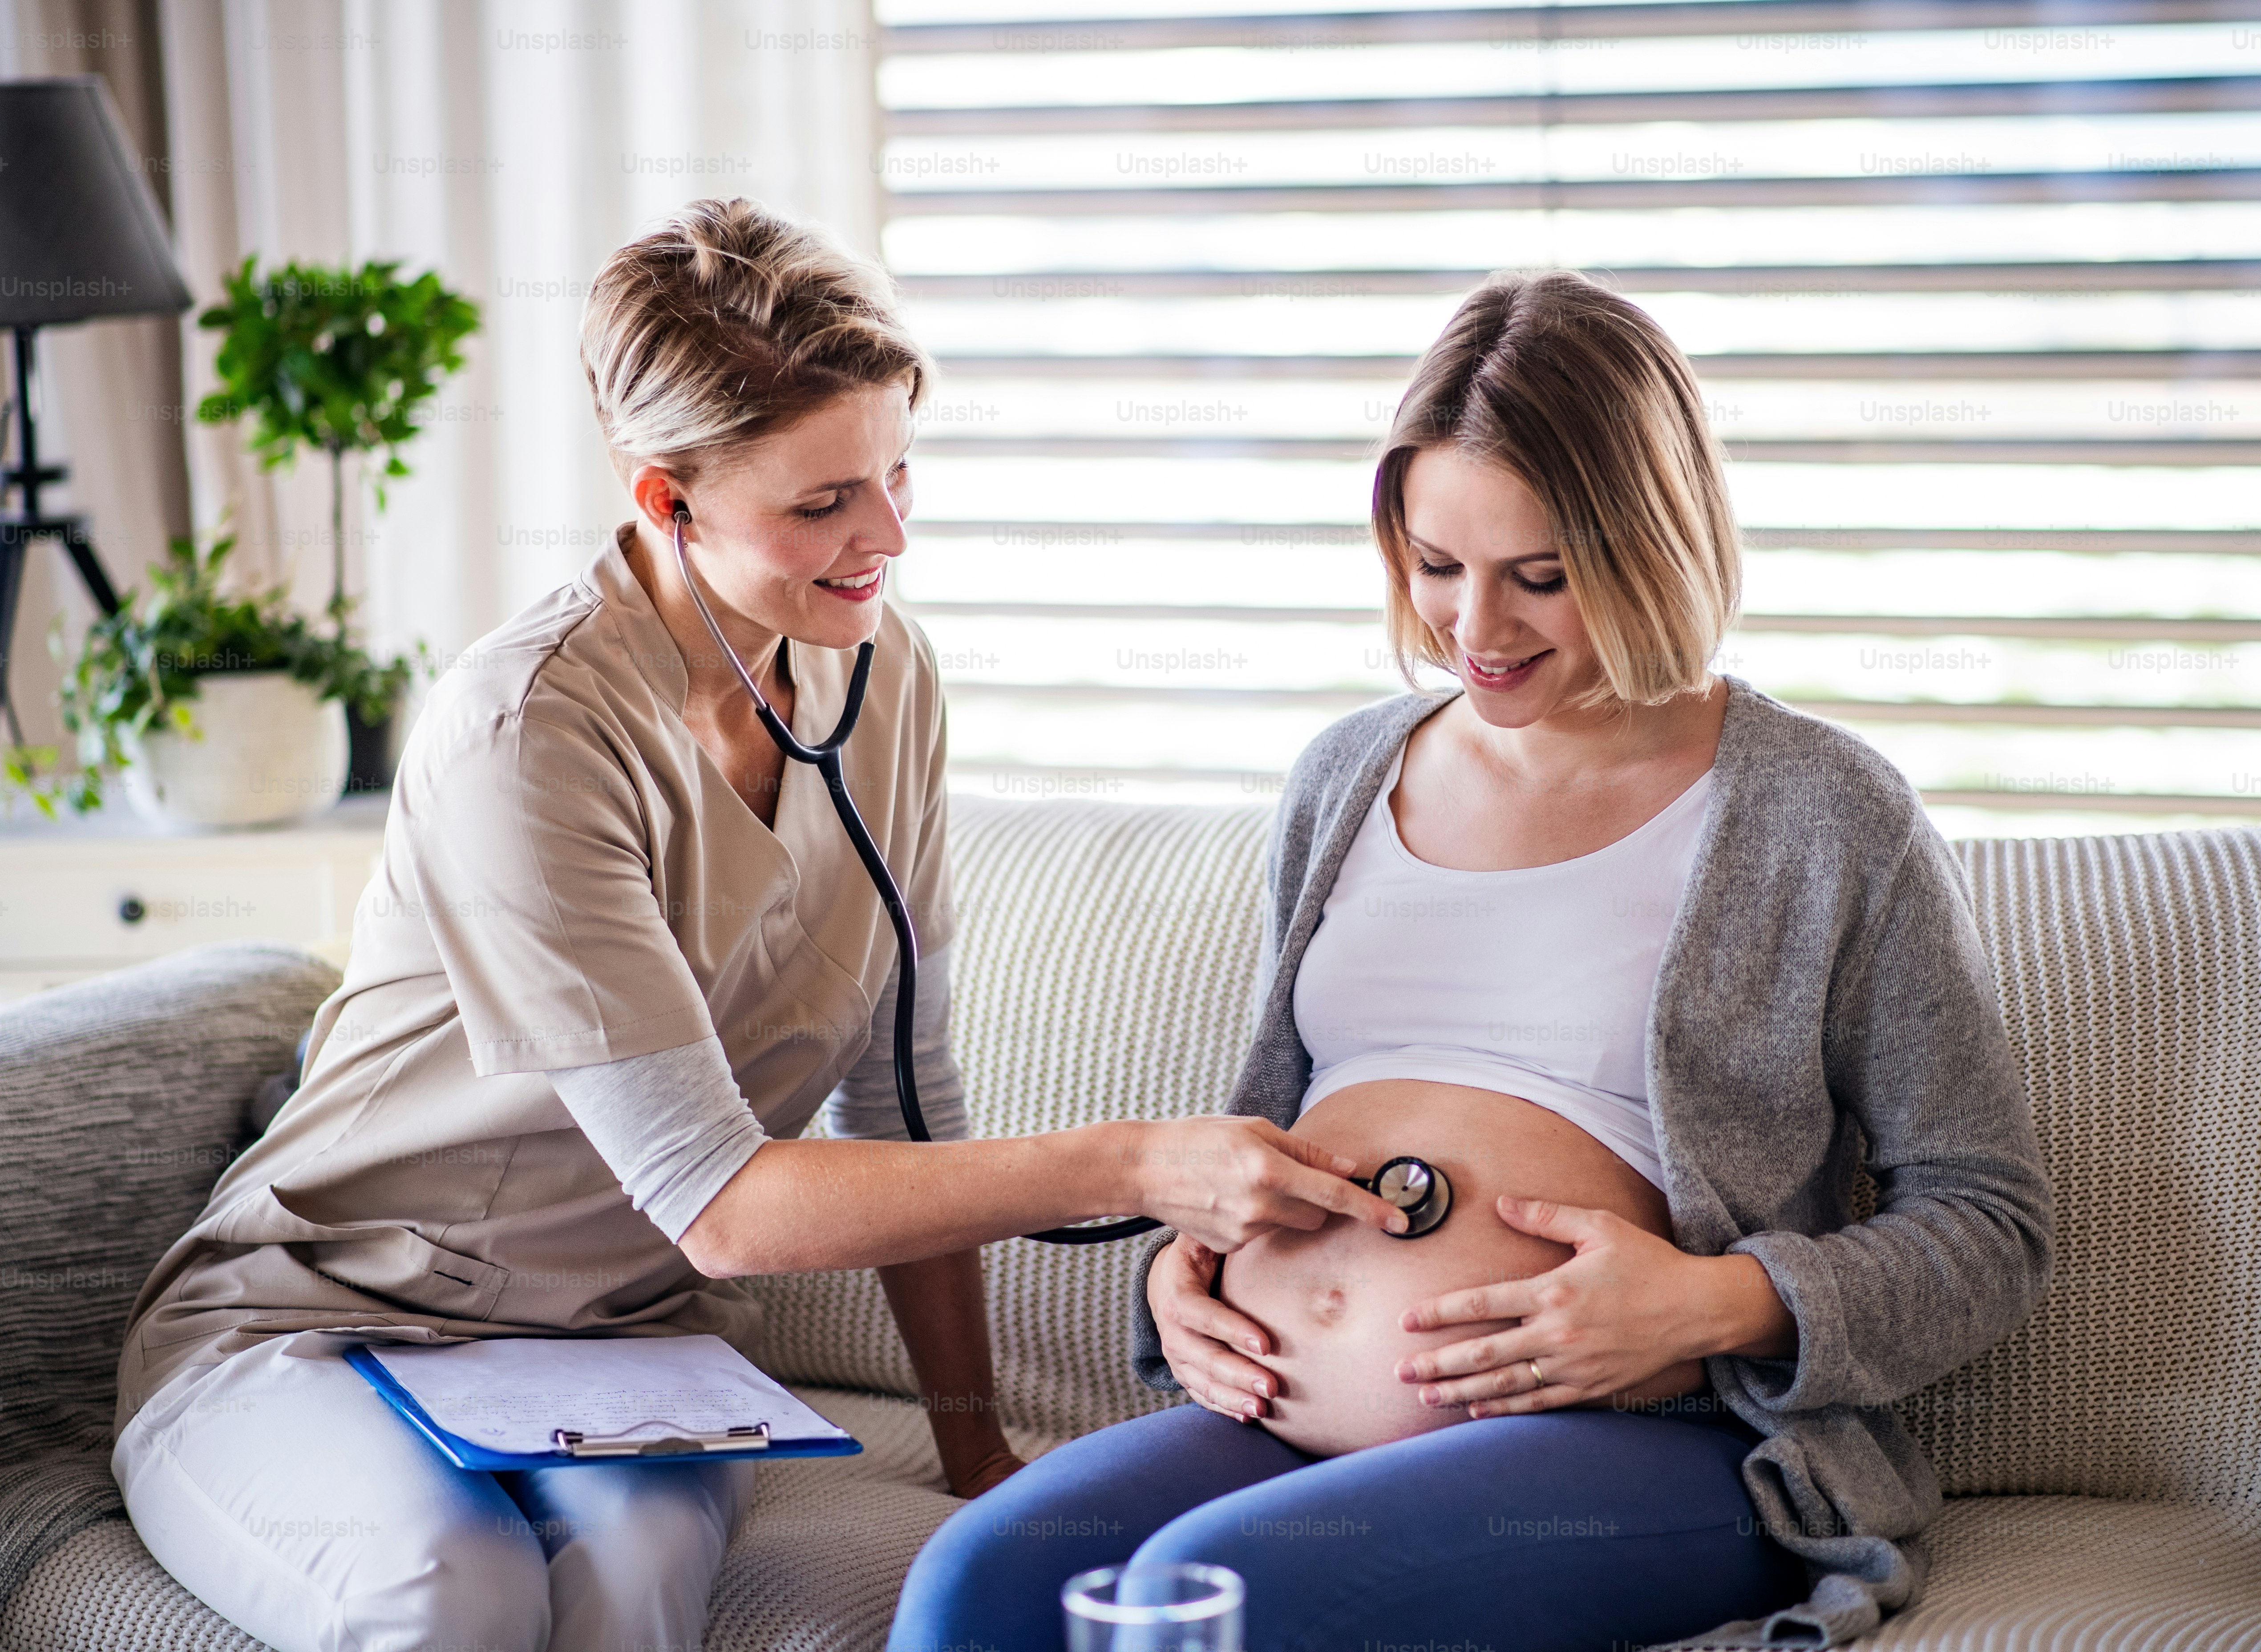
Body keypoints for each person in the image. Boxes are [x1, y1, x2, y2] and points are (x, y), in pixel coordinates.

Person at [108, 198, 1404, 1652]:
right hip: (326, 1322)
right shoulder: (528, 728)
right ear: (666, 501)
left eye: (899, 473)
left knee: (640, 1570)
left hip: (610, 1355)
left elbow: (908, 1109)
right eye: (824, 503)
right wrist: (1137, 1164)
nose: (889, 537)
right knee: (448, 1593)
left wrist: (974, 1450)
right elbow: (722, 1207)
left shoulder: (885, 676)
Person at [888, 271, 2055, 1652]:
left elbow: (1990, 1222)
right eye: (1438, 568)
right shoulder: (1345, 776)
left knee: (1217, 1598)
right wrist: (1185, 1272)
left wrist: (1718, 1300)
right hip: (1276, 1420)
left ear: (1654, 546)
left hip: (1650, 1442)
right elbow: (1278, 1130)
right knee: (977, 1588)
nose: (1477, 632)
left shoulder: (1822, 813)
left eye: (1540, 578)